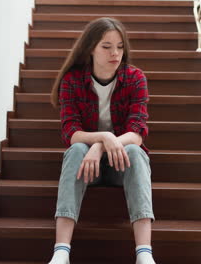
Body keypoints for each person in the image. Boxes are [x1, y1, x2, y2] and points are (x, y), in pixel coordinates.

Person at [48, 17, 156, 264]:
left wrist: (100, 144)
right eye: (106, 47)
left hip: (121, 164)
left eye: (120, 46)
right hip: (88, 166)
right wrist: (102, 137)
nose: (115, 53)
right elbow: (70, 132)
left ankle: (144, 254)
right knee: (75, 149)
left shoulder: (135, 78)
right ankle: (61, 251)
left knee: (137, 153)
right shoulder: (72, 80)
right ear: (90, 49)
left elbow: (137, 133)